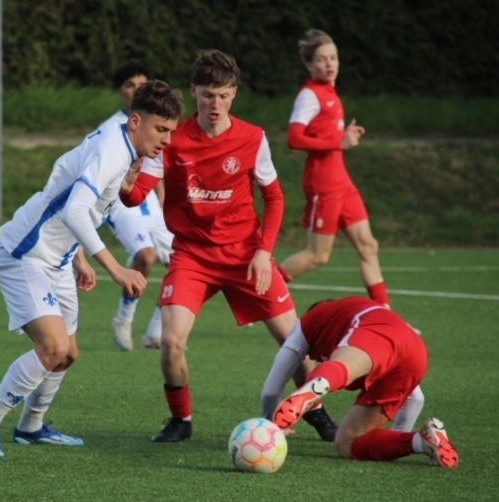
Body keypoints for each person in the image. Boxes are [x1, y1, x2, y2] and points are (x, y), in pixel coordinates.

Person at [120, 49, 338, 443]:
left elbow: (274, 198)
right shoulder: (173, 139)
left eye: (223, 95)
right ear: (194, 92)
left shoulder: (253, 138)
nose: (215, 104)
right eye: (207, 95)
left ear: (234, 93)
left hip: (245, 255)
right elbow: (137, 195)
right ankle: (181, 420)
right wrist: (126, 188)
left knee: (295, 341)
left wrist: (264, 253)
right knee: (170, 341)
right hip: (192, 255)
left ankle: (317, 413)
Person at [0, 80, 183, 457]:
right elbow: (74, 209)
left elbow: (67, 184)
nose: (166, 139)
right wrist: (115, 268)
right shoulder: (113, 149)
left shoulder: (123, 147)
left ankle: (31, 427)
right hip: (25, 254)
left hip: (59, 258)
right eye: (161, 129)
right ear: (135, 121)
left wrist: (77, 257)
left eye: (171, 131)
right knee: (52, 346)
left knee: (67, 354)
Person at [262, 296, 459, 468]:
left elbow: (271, 391)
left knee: (343, 366)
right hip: (416, 352)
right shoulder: (351, 311)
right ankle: (422, 442)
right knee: (346, 444)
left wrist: (271, 429)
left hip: (374, 328)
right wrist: (396, 439)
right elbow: (416, 399)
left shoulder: (306, 324)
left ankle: (320, 382)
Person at [279, 29, 390, 308]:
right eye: (321, 59)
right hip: (323, 183)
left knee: (368, 246)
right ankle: (259, 295)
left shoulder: (330, 94)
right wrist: (338, 142)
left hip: (342, 182)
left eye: (333, 58)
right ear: (309, 65)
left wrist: (342, 136)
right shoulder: (309, 95)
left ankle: (387, 317)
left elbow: (327, 134)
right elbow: (294, 138)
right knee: (318, 256)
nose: (329, 64)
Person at [100, 59, 175, 351]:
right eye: (130, 85)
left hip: (150, 202)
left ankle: (155, 331)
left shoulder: (156, 123)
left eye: (142, 85)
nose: (136, 90)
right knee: (146, 255)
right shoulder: (110, 128)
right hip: (122, 202)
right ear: (121, 91)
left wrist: (163, 197)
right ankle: (124, 319)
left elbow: (155, 162)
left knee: (183, 262)